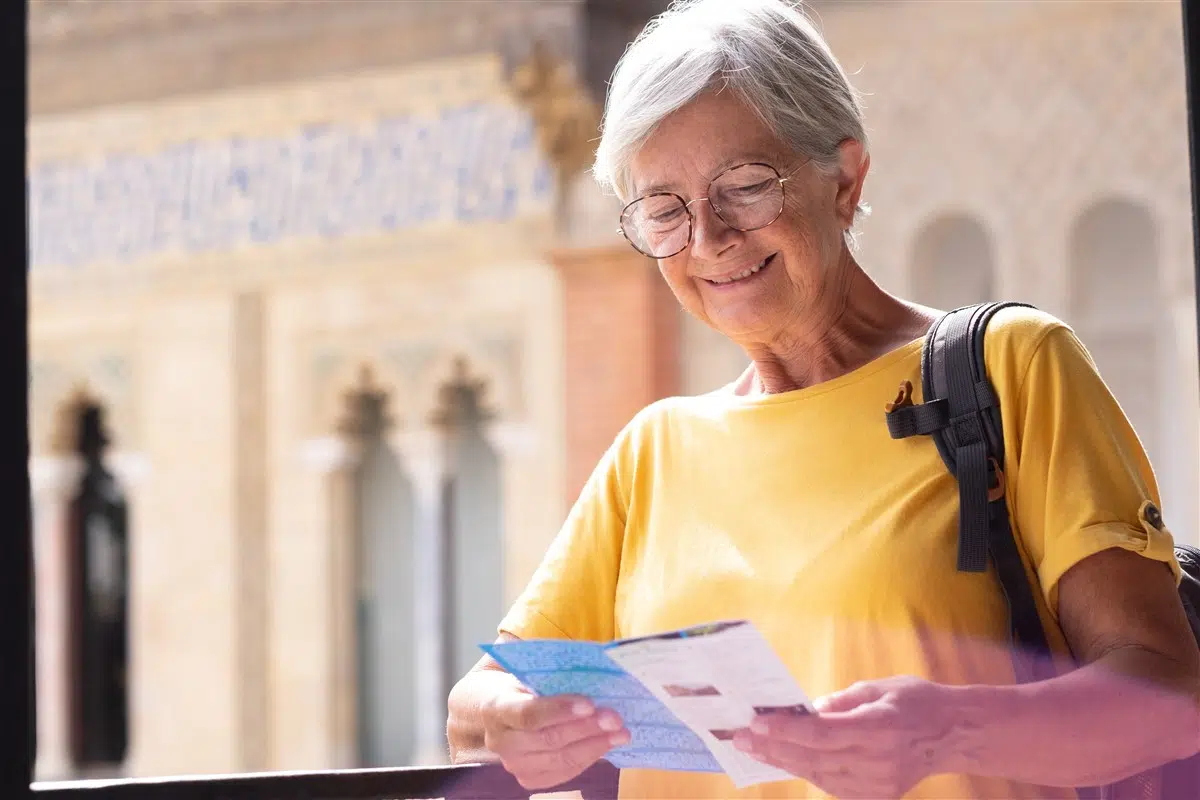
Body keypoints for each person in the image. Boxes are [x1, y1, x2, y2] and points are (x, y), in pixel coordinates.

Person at [446, 0, 1200, 797]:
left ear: (845, 178)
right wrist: (511, 719)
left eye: (742, 187)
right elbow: (475, 706)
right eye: (665, 211)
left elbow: (1168, 699)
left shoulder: (1013, 367)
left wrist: (944, 731)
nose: (709, 240)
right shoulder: (654, 453)